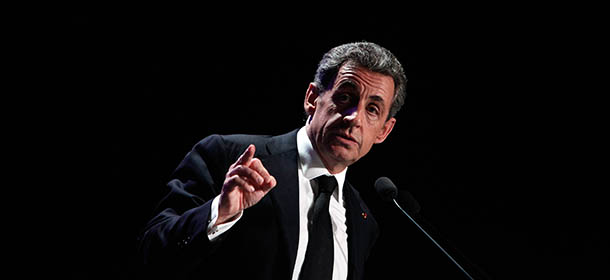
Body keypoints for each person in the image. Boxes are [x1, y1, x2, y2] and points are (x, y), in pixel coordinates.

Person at [138, 41, 407, 280]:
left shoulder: (364, 222)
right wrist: (220, 212)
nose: (354, 118)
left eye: (372, 109)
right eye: (345, 97)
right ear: (312, 99)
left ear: (384, 130)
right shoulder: (231, 158)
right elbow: (150, 255)